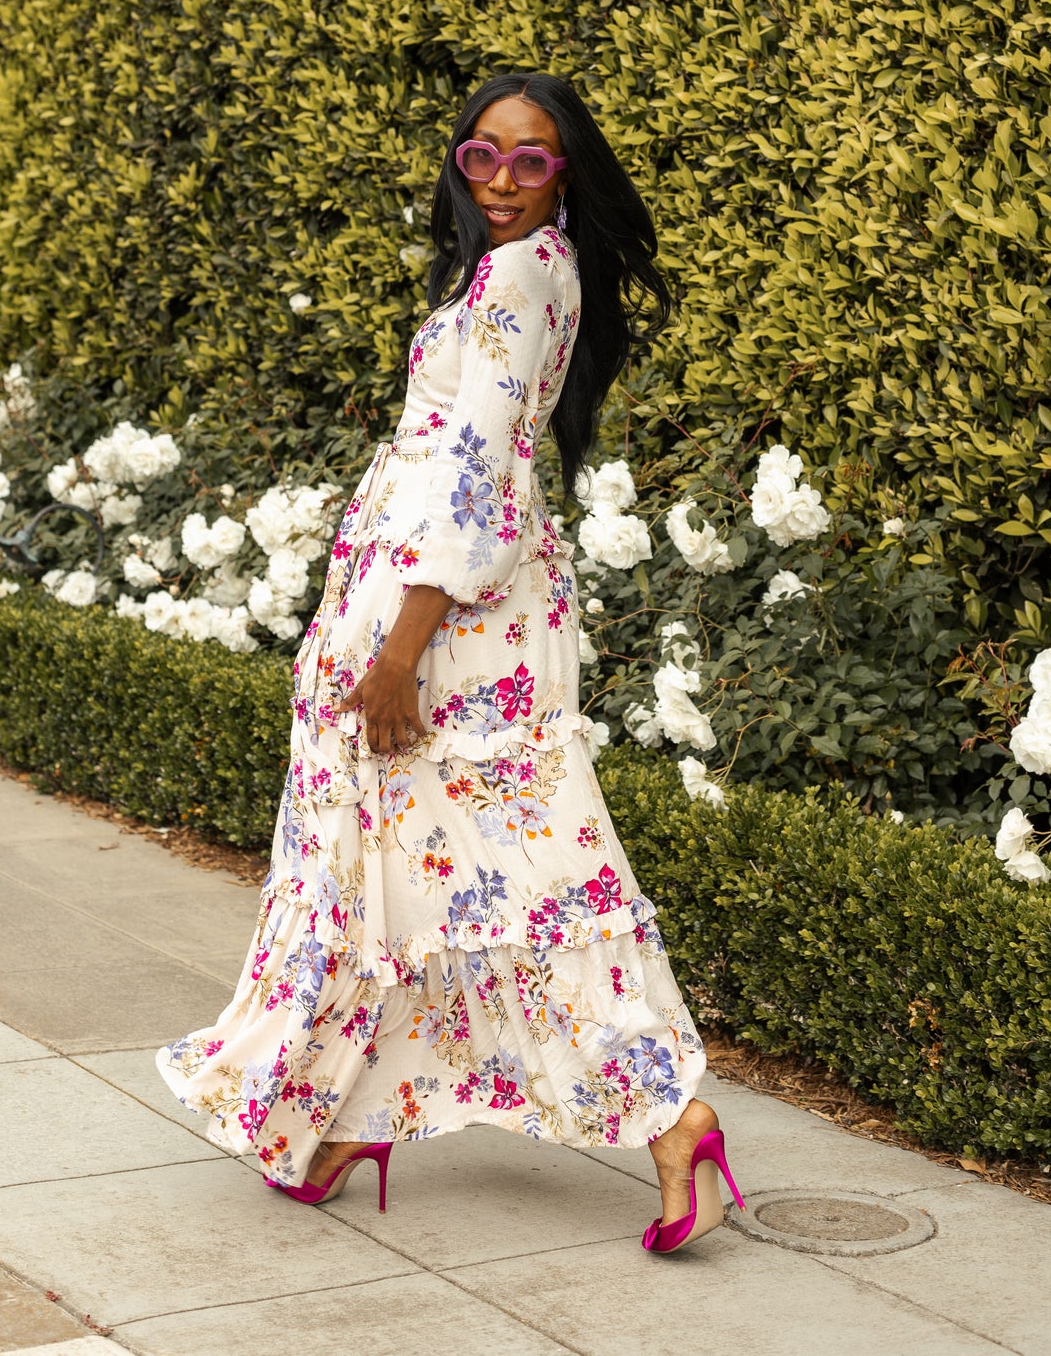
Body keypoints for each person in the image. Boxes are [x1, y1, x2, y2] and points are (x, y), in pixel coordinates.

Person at [158, 72, 741, 1253]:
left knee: (484, 866)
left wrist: (396, 654)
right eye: (481, 155)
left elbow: (477, 474)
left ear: (564, 174)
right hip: (455, 608)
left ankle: (669, 1117)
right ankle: (344, 1117)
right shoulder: (526, 269)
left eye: (530, 160)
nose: (501, 181)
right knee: (416, 870)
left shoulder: (523, 274)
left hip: (442, 623)